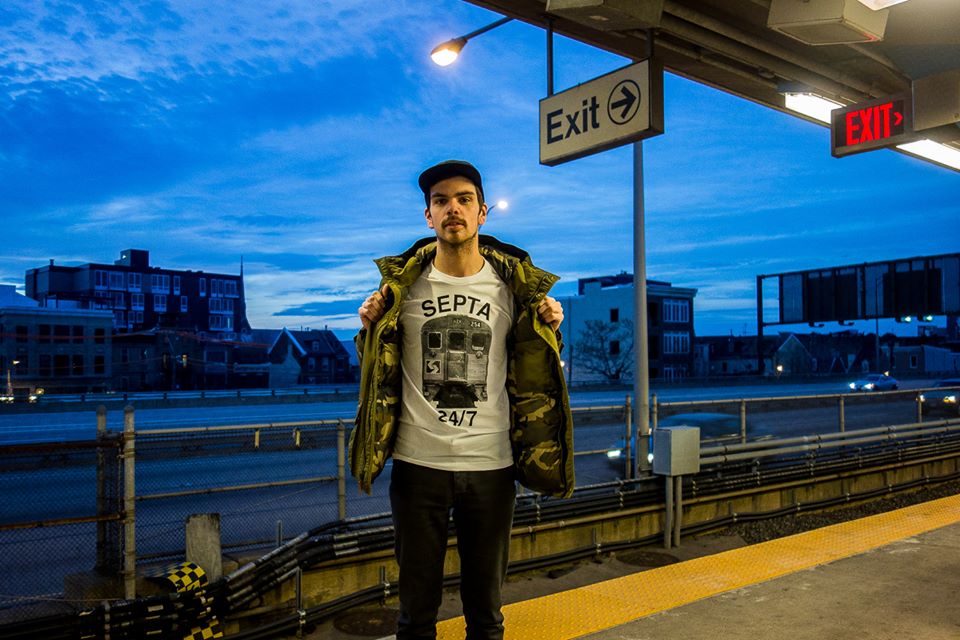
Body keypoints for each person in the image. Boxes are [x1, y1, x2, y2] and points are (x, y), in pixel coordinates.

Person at [350, 160, 574, 639]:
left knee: (486, 615)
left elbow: (536, 366)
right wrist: (367, 330)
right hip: (417, 464)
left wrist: (551, 329)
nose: (453, 208)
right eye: (441, 200)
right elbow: (376, 368)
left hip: (491, 464)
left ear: (482, 214)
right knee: (415, 616)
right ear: (428, 216)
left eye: (464, 199)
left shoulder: (514, 289)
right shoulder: (400, 290)